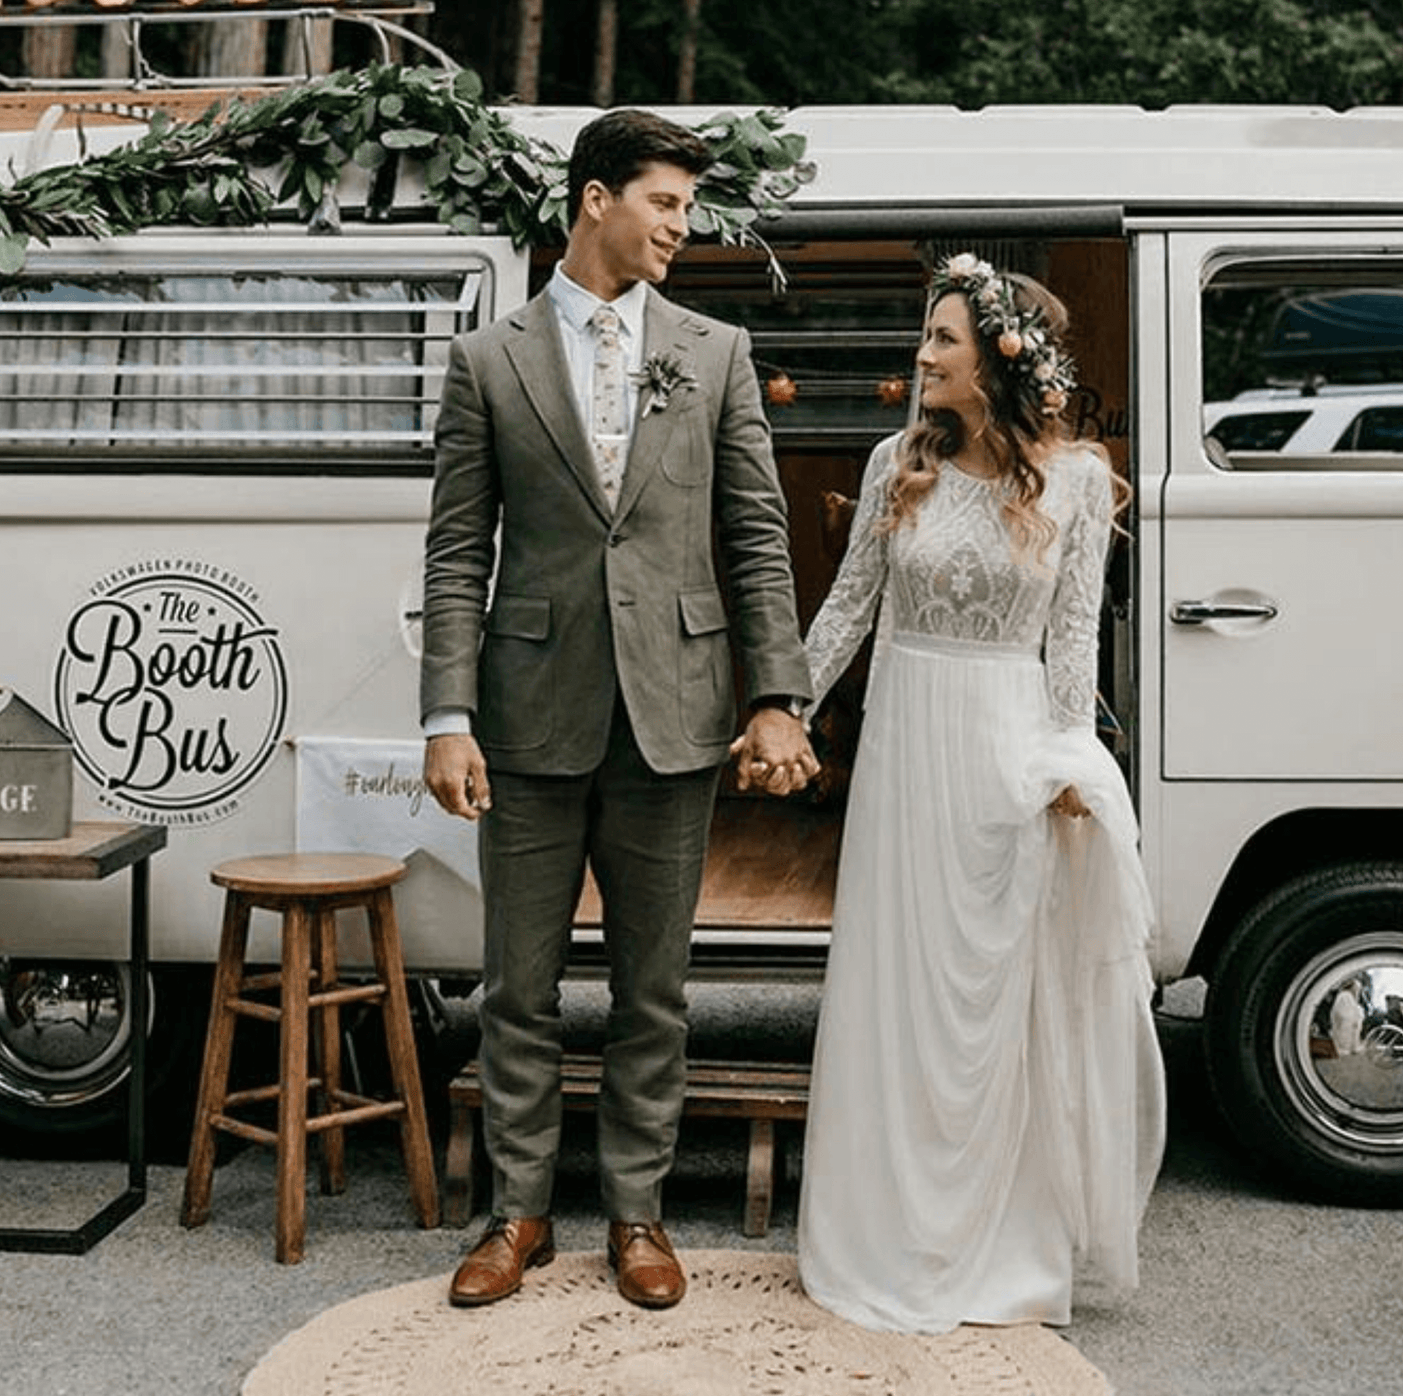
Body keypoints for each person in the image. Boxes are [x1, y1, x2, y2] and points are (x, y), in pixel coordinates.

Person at [420, 108, 817, 1313]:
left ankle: (636, 1212)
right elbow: (454, 555)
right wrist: (447, 712)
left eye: (686, 209)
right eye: (664, 203)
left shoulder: (716, 350)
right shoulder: (487, 359)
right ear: (594, 198)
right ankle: (518, 1212)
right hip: (528, 707)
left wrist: (776, 695)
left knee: (654, 985)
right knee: (517, 985)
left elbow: (754, 533)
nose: (679, 229)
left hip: (674, 711)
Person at [796, 252, 1167, 1332]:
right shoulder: (890, 463)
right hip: (904, 746)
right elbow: (845, 612)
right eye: (926, 337)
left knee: (993, 1001)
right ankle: (881, 1234)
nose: (920, 355)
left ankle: (996, 1244)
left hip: (1004, 761)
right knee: (894, 986)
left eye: (941, 340)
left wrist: (1063, 765)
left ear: (1002, 358)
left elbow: (1070, 651)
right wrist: (782, 709)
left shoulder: (1078, 480)